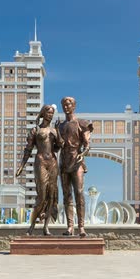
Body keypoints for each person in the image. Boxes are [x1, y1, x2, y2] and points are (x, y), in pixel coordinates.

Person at [16, 104, 62, 236]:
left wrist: (58, 132)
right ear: (43, 113)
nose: (50, 115)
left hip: (52, 162)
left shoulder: (54, 130)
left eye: (52, 113)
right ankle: (31, 227)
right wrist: (21, 166)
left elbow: (59, 147)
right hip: (40, 162)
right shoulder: (35, 130)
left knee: (51, 196)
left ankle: (46, 227)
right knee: (41, 196)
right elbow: (28, 149)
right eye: (48, 112)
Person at [56, 96, 93, 237]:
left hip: (77, 162)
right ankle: (70, 226)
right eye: (64, 104)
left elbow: (87, 145)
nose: (66, 106)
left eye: (69, 104)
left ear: (74, 106)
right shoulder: (59, 126)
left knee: (79, 192)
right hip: (64, 162)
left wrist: (82, 154)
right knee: (66, 195)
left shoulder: (81, 123)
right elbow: (55, 146)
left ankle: (81, 227)